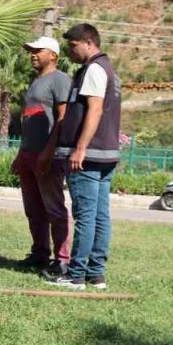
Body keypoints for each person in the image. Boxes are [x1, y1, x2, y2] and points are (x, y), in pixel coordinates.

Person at [42, 23, 121, 291]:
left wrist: (80, 148)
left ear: (88, 42)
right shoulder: (107, 68)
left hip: (89, 155)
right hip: (105, 153)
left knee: (86, 216)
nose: (70, 51)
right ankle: (96, 275)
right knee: (100, 216)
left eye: (73, 46)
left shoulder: (94, 69)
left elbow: (95, 110)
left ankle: (76, 275)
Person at [11, 36, 71, 272]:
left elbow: (63, 118)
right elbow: (29, 121)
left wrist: (49, 151)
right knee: (33, 208)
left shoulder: (60, 80)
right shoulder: (36, 81)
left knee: (53, 208)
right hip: (28, 154)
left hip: (48, 156)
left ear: (53, 55)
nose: (33, 54)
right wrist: (21, 153)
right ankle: (40, 253)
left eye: (38, 50)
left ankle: (62, 259)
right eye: (31, 51)